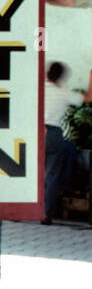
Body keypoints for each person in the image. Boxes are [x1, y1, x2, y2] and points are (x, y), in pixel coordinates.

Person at [42, 61, 91, 223]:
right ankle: (47, 214)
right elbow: (88, 99)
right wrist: (91, 78)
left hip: (36, 131)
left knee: (29, 172)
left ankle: (22, 212)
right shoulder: (62, 93)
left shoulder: (38, 90)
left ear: (47, 74)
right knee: (52, 174)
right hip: (54, 133)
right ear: (61, 78)